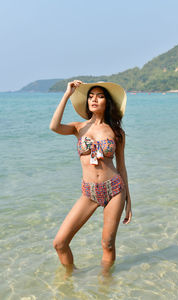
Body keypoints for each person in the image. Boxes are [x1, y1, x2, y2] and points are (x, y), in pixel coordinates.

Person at [49, 80, 132, 275]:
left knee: (108, 243)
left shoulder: (117, 132)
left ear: (107, 102)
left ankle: (104, 286)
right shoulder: (79, 128)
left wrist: (129, 201)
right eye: (91, 96)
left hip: (114, 190)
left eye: (100, 96)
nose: (94, 99)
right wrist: (67, 94)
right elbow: (54, 126)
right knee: (60, 243)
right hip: (89, 192)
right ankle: (71, 279)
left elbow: (122, 167)